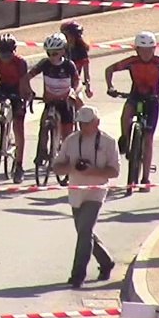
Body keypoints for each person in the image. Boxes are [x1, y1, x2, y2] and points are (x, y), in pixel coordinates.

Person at [105, 31, 159, 191]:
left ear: (154, 49)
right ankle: (126, 140)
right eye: (143, 50)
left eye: (150, 50)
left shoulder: (158, 62)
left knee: (148, 139)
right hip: (135, 96)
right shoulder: (132, 62)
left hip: (152, 100)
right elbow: (109, 69)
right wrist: (110, 87)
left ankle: (145, 177)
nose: (147, 53)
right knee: (125, 115)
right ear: (137, 50)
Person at [53, 106, 119, 288]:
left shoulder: (108, 142)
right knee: (84, 232)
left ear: (96, 123)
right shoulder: (72, 140)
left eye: (87, 123)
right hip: (76, 191)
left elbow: (114, 171)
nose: (83, 126)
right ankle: (106, 261)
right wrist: (71, 168)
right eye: (80, 123)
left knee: (85, 230)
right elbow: (57, 166)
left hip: (96, 191)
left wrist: (94, 171)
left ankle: (77, 275)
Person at [0, 34, 30, 183]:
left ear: (14, 51)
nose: (5, 58)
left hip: (17, 89)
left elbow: (23, 83)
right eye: (2, 55)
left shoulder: (20, 62)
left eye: (8, 54)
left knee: (18, 126)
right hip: (3, 87)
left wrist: (22, 100)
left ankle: (19, 165)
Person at [23, 33, 82, 152]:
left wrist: (74, 93)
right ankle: (42, 152)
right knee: (43, 126)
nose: (51, 56)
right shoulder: (45, 63)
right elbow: (27, 77)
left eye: (55, 53)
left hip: (65, 101)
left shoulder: (69, 65)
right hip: (50, 101)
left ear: (63, 51)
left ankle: (69, 151)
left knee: (67, 134)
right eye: (48, 53)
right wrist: (29, 91)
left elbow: (78, 82)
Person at [61, 20, 94, 99]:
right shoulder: (61, 48)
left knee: (77, 103)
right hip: (59, 84)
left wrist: (88, 87)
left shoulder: (81, 51)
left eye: (66, 35)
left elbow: (86, 71)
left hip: (74, 85)